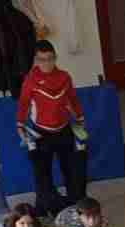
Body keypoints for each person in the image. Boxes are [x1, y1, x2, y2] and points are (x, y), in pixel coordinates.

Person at [17, 39, 88, 217]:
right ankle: (43, 211)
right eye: (42, 59)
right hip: (41, 133)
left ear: (55, 57)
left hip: (64, 130)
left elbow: (72, 99)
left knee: (71, 172)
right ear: (36, 60)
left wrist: (80, 118)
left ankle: (77, 208)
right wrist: (20, 125)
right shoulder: (30, 80)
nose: (47, 63)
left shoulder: (64, 77)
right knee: (42, 176)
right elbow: (24, 103)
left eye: (50, 58)